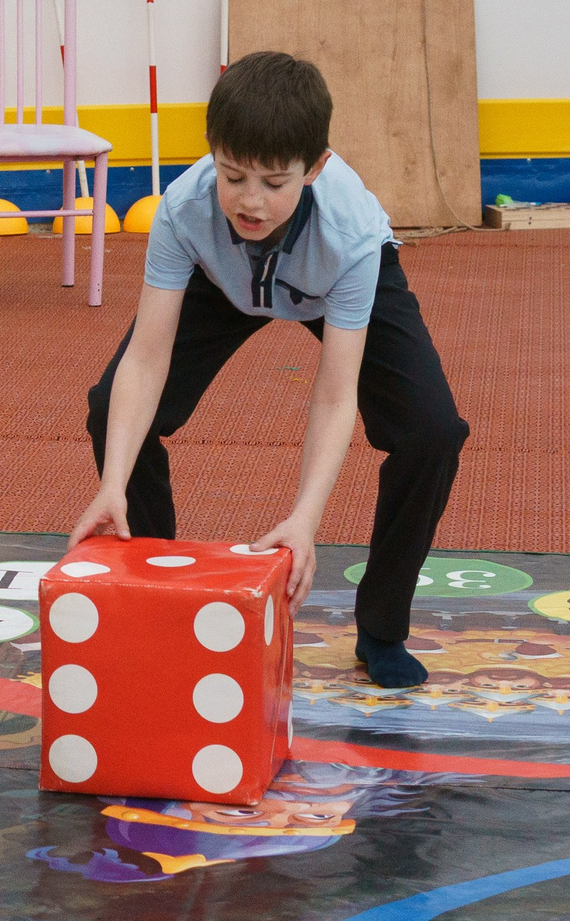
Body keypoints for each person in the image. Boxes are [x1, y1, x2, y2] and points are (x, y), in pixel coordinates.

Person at [69, 52, 468, 689]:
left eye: (274, 183)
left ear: (315, 168)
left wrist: (305, 522)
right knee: (109, 409)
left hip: (325, 284)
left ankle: (383, 627)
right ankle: (160, 591)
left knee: (432, 433)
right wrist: (112, 482)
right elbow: (146, 358)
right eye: (233, 176)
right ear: (212, 155)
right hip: (223, 283)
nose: (251, 201)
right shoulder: (184, 209)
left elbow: (336, 396)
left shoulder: (352, 233)